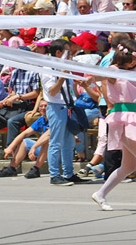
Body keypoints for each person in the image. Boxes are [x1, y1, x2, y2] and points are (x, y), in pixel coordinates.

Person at [90, 39, 136, 213]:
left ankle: (100, 194)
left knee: (129, 166)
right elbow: (95, 76)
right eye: (135, 58)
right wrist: (86, 80)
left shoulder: (134, 71)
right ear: (125, 56)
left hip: (133, 116)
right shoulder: (113, 71)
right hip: (123, 118)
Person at [39, 40, 85, 186]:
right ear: (58, 52)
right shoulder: (47, 68)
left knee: (69, 143)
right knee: (56, 142)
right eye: (67, 51)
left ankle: (69, 173)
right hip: (56, 107)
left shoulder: (65, 68)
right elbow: (51, 91)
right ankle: (54, 174)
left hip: (67, 107)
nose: (69, 55)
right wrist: (62, 77)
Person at [0, 100, 50, 179]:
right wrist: (10, 147)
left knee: (47, 141)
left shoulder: (55, 119)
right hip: (46, 152)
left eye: (46, 106)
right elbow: (24, 134)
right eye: (41, 106)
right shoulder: (41, 120)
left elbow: (49, 136)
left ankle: (36, 169)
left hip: (58, 153)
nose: (43, 108)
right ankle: (11, 168)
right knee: (24, 141)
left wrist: (34, 147)